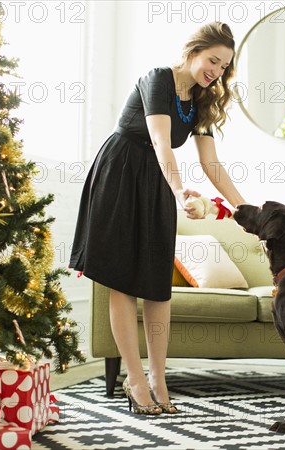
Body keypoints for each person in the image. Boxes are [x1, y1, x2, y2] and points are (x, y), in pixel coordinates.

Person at [69, 22, 247, 415]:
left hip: (156, 185)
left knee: (156, 287)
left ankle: (158, 380)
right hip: (120, 174)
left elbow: (211, 163)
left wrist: (244, 208)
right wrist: (181, 190)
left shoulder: (201, 100)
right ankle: (134, 380)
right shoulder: (157, 80)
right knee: (122, 282)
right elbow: (161, 144)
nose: (216, 71)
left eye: (223, 67)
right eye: (212, 61)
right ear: (192, 52)